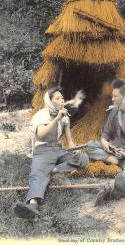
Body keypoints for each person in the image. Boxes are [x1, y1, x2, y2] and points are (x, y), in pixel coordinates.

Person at [14, 87, 89, 218]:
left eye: (62, 98)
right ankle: (32, 206)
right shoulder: (41, 115)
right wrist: (56, 119)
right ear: (49, 101)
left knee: (83, 158)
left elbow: (70, 143)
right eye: (57, 98)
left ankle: (54, 170)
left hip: (58, 150)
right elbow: (41, 135)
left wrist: (75, 150)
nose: (62, 100)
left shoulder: (65, 117)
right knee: (37, 174)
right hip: (42, 150)